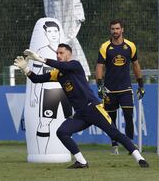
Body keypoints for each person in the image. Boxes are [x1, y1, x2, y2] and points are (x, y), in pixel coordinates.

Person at [14, 43, 149, 168]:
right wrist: (26, 69)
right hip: (81, 114)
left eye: (61, 53)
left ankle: (140, 158)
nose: (58, 55)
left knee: (115, 134)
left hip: (93, 108)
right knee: (62, 132)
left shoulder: (75, 65)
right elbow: (37, 79)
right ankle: (81, 161)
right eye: (57, 53)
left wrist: (41, 59)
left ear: (69, 54)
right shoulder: (57, 73)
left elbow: (63, 66)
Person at [95, 19, 145, 154]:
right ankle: (114, 145)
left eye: (117, 29)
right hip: (109, 89)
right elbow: (99, 66)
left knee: (129, 115)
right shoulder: (105, 47)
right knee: (111, 119)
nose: (115, 31)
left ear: (122, 29)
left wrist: (141, 84)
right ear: (110, 30)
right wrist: (99, 85)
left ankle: (130, 145)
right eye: (113, 29)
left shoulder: (130, 46)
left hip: (126, 88)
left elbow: (136, 65)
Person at [29, 20, 72, 154]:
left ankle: (68, 153)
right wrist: (33, 94)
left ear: (59, 32)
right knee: (44, 122)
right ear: (45, 33)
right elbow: (35, 75)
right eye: (49, 31)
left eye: (55, 31)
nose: (53, 34)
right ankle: (42, 153)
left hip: (66, 92)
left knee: (70, 121)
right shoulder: (41, 51)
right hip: (48, 91)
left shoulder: (67, 53)